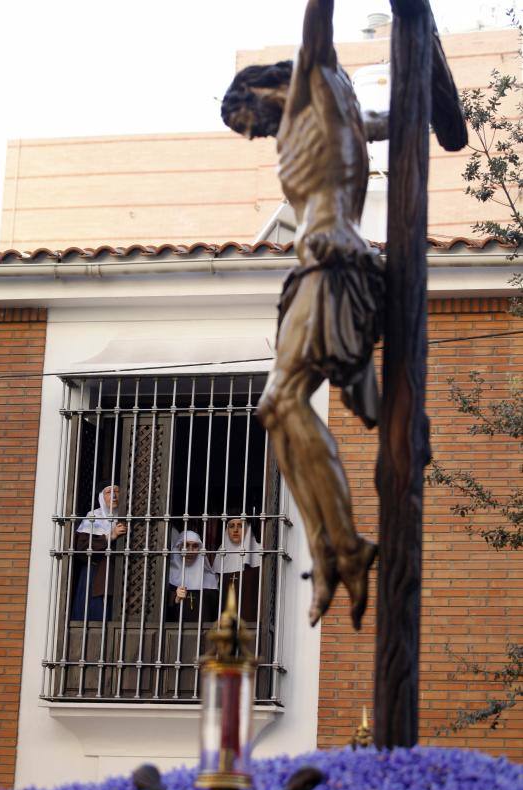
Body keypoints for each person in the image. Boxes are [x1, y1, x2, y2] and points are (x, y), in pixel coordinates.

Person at [221, 0, 387, 630]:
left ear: (261, 91)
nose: (257, 136)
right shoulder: (343, 110)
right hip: (318, 267)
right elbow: (394, 118)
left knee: (283, 404)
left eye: (250, 122)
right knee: (273, 409)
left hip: (333, 261)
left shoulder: (317, 78)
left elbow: (318, 17)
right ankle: (328, 550)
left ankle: (346, 545)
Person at [71, 484, 126, 622]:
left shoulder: (127, 516)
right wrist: (110, 536)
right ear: (101, 497)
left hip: (121, 571)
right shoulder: (93, 517)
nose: (113, 495)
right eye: (108, 492)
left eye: (117, 491)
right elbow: (82, 548)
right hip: (94, 573)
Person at [213, 518, 261, 622]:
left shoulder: (259, 553)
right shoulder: (220, 555)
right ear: (227, 530)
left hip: (251, 624)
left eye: (240, 525)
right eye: (231, 526)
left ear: (248, 528)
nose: (235, 530)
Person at [166, 530, 219, 622]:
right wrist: (176, 599)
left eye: (195, 546)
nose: (190, 550)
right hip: (174, 632)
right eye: (186, 545)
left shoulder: (210, 579)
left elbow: (214, 613)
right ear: (178, 547)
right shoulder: (168, 576)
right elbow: (163, 613)